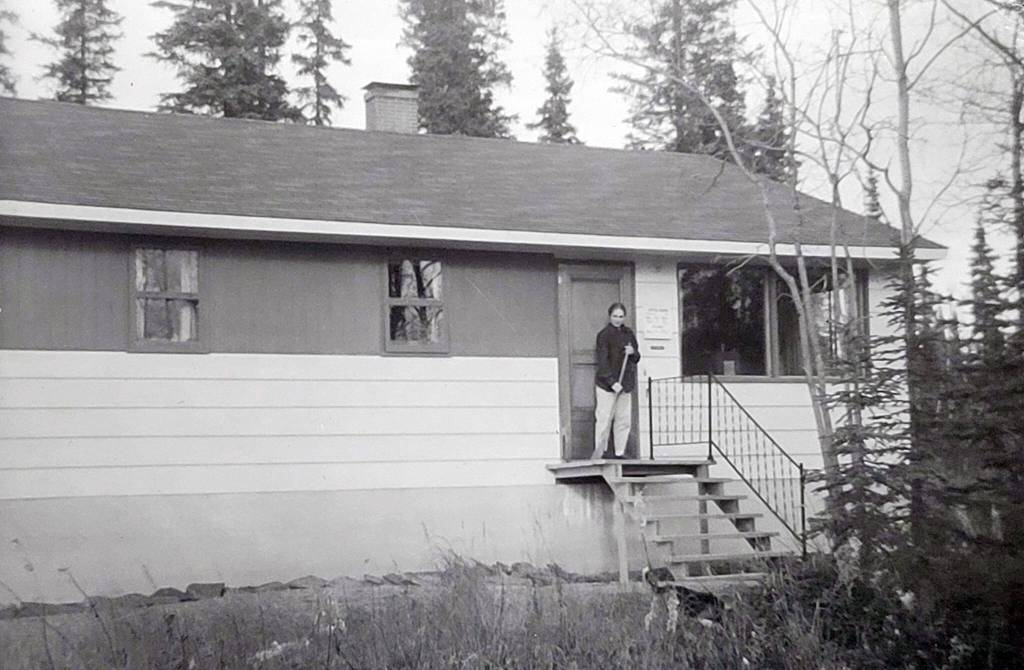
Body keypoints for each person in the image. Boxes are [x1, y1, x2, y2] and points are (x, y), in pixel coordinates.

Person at [593, 302, 641, 459]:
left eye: (621, 316)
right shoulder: (604, 335)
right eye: (615, 316)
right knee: (604, 418)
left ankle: (620, 452)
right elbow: (602, 361)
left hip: (625, 384)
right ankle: (602, 452)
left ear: (624, 317)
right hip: (607, 385)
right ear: (609, 316)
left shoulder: (629, 334)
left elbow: (636, 357)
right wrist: (612, 382)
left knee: (623, 419)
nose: (618, 319)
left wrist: (633, 352)